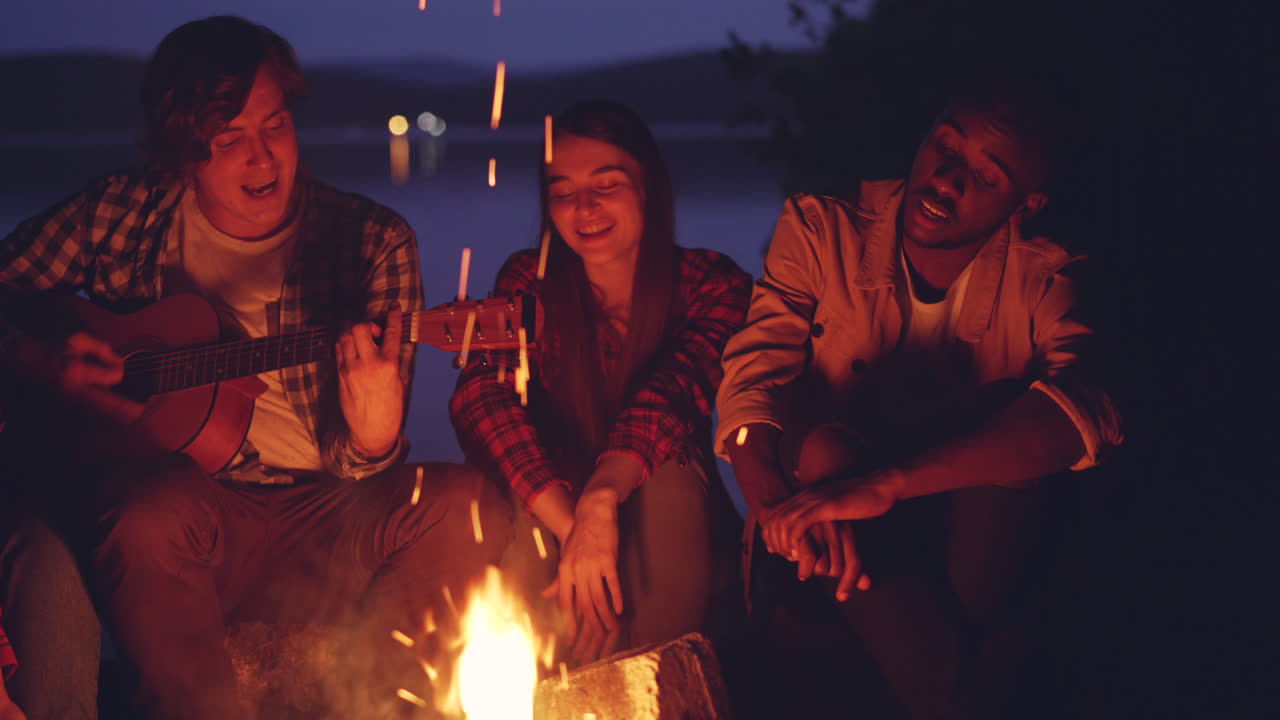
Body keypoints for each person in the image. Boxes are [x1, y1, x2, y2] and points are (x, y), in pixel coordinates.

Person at [0, 16, 508, 719]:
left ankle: (376, 704)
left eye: (274, 126)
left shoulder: (371, 239)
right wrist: (32, 354)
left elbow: (366, 460)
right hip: (188, 520)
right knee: (146, 512)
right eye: (229, 139)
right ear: (182, 153)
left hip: (325, 516)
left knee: (465, 503)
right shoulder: (119, 213)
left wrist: (372, 439)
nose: (262, 158)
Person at [717, 78, 1123, 719]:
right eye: (945, 148)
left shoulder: (1047, 272)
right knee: (822, 448)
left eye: (986, 179)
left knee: (1015, 410)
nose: (946, 182)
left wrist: (888, 483)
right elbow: (750, 381)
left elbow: (1087, 413)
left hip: (969, 545)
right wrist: (771, 504)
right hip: (830, 533)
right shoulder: (824, 227)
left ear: (1026, 202)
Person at [450, 100, 752, 665]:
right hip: (557, 513)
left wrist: (604, 497)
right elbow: (480, 395)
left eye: (606, 184)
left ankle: (662, 672)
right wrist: (575, 524)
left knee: (669, 469)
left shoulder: (710, 284)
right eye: (561, 192)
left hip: (671, 514)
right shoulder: (529, 282)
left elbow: (672, 394)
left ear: (648, 188)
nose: (582, 207)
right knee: (520, 510)